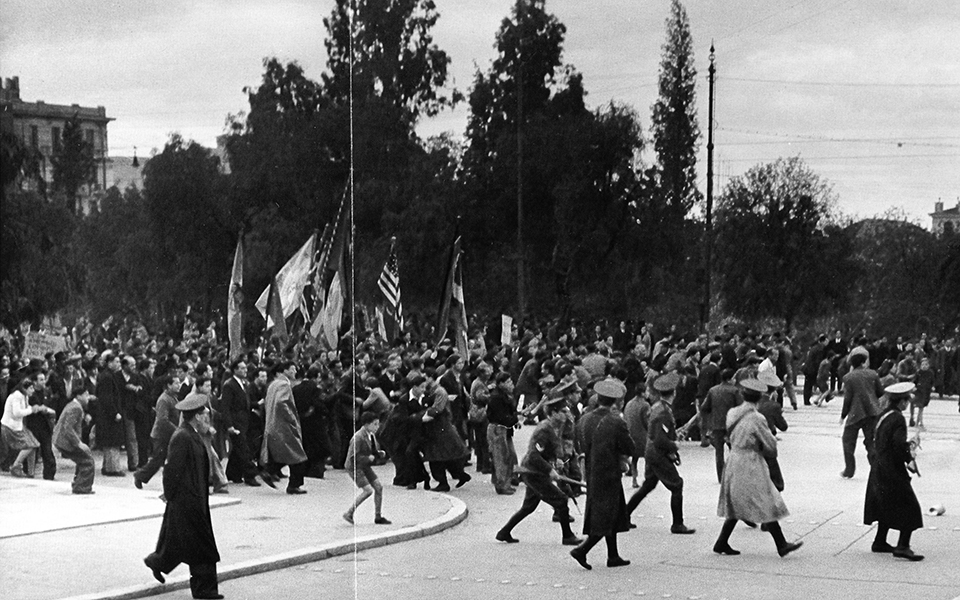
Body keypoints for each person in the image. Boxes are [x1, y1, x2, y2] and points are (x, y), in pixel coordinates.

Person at [144, 393, 223, 599]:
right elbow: (171, 470)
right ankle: (205, 590)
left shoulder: (193, 434)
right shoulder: (182, 436)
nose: (207, 417)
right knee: (202, 546)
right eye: (205, 413)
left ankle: (158, 561)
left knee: (181, 541)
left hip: (194, 498)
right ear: (196, 416)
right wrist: (170, 496)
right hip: (187, 500)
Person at [712, 379, 803, 558]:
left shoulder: (733, 412)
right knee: (765, 498)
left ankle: (722, 541)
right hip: (751, 461)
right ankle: (781, 544)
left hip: (734, 458)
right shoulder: (757, 418)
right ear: (759, 398)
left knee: (736, 500)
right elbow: (770, 445)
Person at [496, 396, 582, 546]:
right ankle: (567, 536)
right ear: (553, 413)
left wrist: (557, 461)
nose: (566, 415)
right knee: (561, 500)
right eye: (562, 411)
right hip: (533, 472)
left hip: (537, 471)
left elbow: (549, 450)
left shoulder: (555, 428)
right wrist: (549, 470)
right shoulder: (544, 429)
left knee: (528, 507)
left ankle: (504, 532)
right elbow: (534, 455)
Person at [570, 378, 635, 570]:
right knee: (606, 516)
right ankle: (582, 550)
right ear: (615, 401)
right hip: (610, 472)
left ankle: (613, 555)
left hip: (592, 470)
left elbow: (579, 442)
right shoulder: (616, 421)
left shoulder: (585, 419)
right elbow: (629, 447)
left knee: (609, 514)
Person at [625, 372, 696, 535]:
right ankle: (677, 523)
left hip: (652, 452)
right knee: (677, 484)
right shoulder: (663, 411)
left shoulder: (658, 407)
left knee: (648, 486)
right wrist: (674, 445)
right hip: (658, 453)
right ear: (674, 393)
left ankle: (625, 514)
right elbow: (660, 439)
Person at [864, 382, 924, 561]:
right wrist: (910, 455)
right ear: (902, 402)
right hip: (891, 469)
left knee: (885, 504)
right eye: (907, 400)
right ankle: (903, 546)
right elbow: (897, 445)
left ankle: (880, 541)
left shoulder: (884, 414)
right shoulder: (898, 418)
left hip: (879, 467)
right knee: (910, 506)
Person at [260, 361, 309, 494]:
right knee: (297, 455)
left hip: (273, 424)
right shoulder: (284, 384)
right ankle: (293, 484)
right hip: (284, 425)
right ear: (285, 370)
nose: (294, 371)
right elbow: (281, 403)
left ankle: (270, 471)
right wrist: (292, 418)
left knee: (289, 455)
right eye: (292, 369)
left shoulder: (272, 384)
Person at [839, 352, 883, 479]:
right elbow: (880, 392)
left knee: (848, 441)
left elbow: (848, 399)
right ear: (863, 363)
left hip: (855, 413)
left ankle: (849, 470)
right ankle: (876, 467)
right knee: (871, 441)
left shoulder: (848, 377)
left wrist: (843, 415)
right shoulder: (873, 374)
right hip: (873, 412)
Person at [343, 411, 391, 525]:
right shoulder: (358, 437)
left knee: (378, 487)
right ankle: (349, 512)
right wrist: (366, 458)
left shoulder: (371, 435)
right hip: (354, 467)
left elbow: (372, 450)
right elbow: (352, 457)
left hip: (364, 466)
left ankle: (378, 516)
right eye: (375, 424)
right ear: (366, 424)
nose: (377, 427)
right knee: (368, 490)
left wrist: (378, 453)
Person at [135, 374, 180, 489]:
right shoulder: (164, 399)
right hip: (161, 436)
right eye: (176, 383)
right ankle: (140, 475)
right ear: (168, 385)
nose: (178, 385)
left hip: (169, 434)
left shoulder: (173, 397)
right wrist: (177, 430)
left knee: (164, 459)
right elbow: (162, 420)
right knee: (157, 460)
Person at [220, 360, 261, 486]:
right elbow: (225, 407)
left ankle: (233, 473)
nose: (245, 370)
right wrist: (229, 425)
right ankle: (250, 475)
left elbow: (244, 402)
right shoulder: (229, 385)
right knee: (243, 448)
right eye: (242, 368)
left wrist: (256, 404)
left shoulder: (244, 384)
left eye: (245, 368)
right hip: (235, 422)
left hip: (245, 421)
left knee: (238, 448)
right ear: (235, 370)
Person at [699, 368, 742, 483]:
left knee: (719, 453)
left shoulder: (713, 390)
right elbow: (741, 407)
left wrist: (708, 422)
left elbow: (704, 407)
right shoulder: (735, 391)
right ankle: (735, 475)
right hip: (731, 426)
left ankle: (721, 477)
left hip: (717, 425)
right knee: (735, 451)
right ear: (730, 379)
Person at [2, 377, 51, 477]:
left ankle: (30, 472)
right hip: (10, 426)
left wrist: (34, 408)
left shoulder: (25, 396)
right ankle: (16, 465)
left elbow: (26, 407)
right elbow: (17, 413)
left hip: (18, 425)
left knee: (34, 443)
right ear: (25, 388)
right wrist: (31, 410)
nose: (33, 390)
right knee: (30, 445)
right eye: (31, 388)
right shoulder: (17, 396)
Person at [53, 387, 96, 494]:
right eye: (86, 395)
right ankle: (81, 487)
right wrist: (79, 443)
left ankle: (79, 483)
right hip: (65, 441)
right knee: (88, 461)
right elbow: (68, 428)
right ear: (78, 396)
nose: (88, 397)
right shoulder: (76, 408)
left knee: (82, 459)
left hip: (60, 439)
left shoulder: (72, 404)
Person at [486, 371, 520, 495]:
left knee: (507, 456)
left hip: (504, 429)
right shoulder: (497, 397)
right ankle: (502, 485)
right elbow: (502, 417)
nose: (512, 384)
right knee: (501, 458)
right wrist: (516, 418)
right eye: (508, 382)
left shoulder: (505, 395)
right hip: (498, 429)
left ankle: (504, 482)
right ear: (501, 384)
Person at [96, 353, 126, 476]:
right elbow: (107, 398)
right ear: (109, 363)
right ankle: (112, 468)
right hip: (109, 415)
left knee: (110, 442)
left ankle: (107, 466)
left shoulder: (108, 375)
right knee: (112, 442)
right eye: (116, 362)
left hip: (107, 414)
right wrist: (115, 413)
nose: (119, 364)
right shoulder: (107, 377)